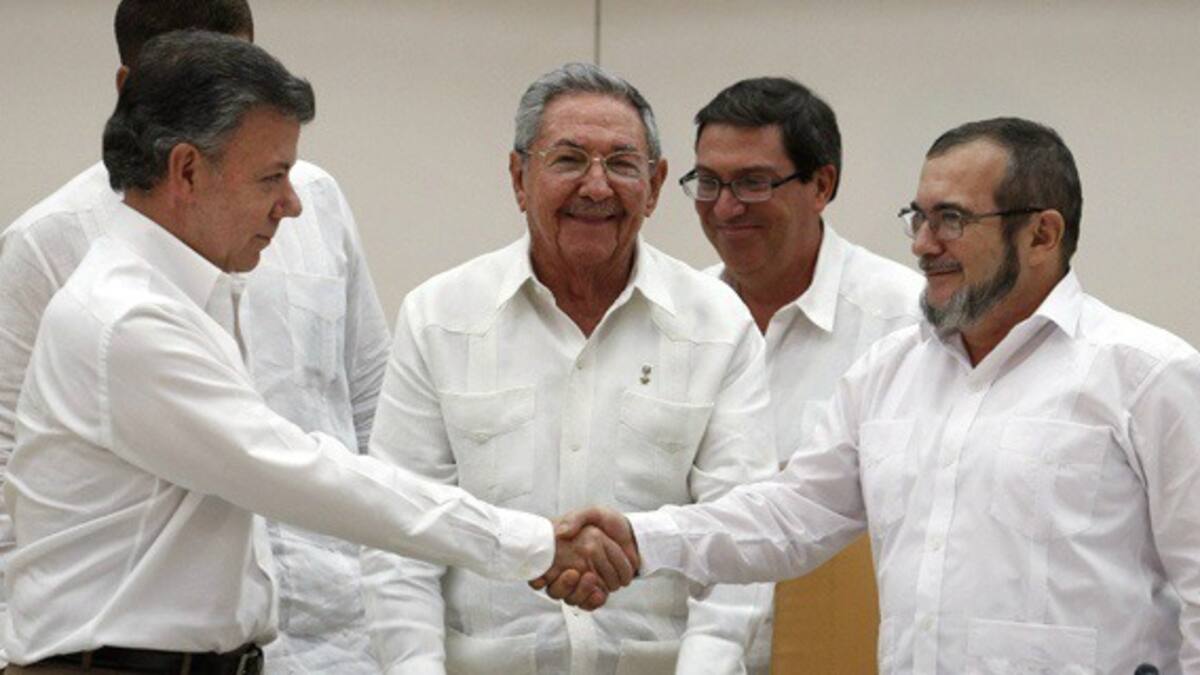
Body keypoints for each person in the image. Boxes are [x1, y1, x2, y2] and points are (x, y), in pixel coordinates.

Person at [3, 31, 628, 675]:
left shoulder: (178, 293)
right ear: (186, 171)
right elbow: (302, 473)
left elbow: (342, 431)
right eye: (272, 177)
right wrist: (531, 542)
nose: (293, 204)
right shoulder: (129, 319)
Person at [548, 117, 1200, 674]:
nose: (922, 244)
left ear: (1042, 235)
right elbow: (788, 516)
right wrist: (640, 536)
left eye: (951, 220)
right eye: (919, 217)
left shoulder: (1147, 376)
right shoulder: (891, 371)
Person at [0, 2, 393, 672]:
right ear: (129, 88)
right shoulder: (48, 242)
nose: (226, 93)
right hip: (132, 652)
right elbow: (12, 475)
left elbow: (371, 406)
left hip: (340, 638)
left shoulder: (313, 201)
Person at [360, 62, 777, 675]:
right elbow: (400, 534)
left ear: (656, 185)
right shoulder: (440, 317)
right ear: (518, 177)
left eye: (623, 164)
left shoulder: (717, 324)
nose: (597, 187)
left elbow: (741, 535)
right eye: (569, 160)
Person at [681, 76, 922, 672]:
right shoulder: (676, 319)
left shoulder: (908, 324)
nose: (725, 207)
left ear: (822, 185)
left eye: (753, 182)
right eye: (708, 182)